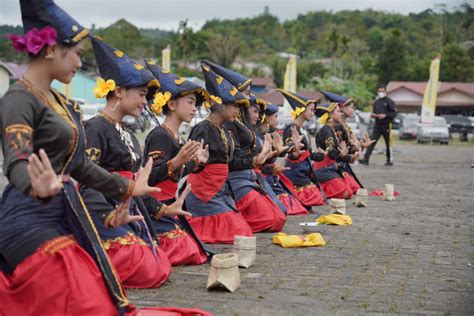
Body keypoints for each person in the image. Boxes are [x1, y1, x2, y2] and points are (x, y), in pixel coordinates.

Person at [0, 1, 210, 315]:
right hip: (28, 219)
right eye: (77, 53)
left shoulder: (60, 103)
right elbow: (16, 161)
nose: (80, 62)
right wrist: (34, 185)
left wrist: (128, 191)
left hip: (67, 216)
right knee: (83, 300)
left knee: (97, 296)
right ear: (50, 49)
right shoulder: (19, 98)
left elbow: (82, 166)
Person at [78, 36, 176, 290]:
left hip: (128, 208)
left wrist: (162, 209)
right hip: (103, 212)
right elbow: (86, 182)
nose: (145, 102)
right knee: (148, 269)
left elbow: (136, 184)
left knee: (158, 263)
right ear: (119, 91)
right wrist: (109, 216)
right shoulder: (94, 128)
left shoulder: (130, 135)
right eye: (141, 94)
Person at [142, 60, 210, 265]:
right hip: (156, 206)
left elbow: (175, 171)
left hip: (171, 202)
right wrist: (178, 159)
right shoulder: (160, 136)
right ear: (171, 104)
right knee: (187, 251)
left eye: (195, 105)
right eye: (190, 102)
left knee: (194, 248)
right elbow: (150, 176)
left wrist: (198, 163)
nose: (194, 109)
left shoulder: (173, 136)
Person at [183, 64, 254, 244]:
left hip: (221, 190)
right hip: (204, 192)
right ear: (220, 105)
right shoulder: (202, 129)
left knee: (244, 232)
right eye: (234, 106)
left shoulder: (224, 129)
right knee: (239, 234)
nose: (237, 111)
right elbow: (193, 161)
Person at [224, 92, 287, 233]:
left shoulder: (245, 128)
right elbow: (232, 161)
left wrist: (275, 153)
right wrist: (257, 160)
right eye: (255, 111)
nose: (258, 115)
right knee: (274, 220)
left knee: (280, 215)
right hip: (235, 180)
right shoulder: (230, 126)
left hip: (250, 177)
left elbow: (260, 162)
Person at [277, 89, 325, 208]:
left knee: (317, 197)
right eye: (311, 110)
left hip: (304, 169)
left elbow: (308, 153)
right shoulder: (291, 129)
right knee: (314, 197)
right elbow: (292, 154)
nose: (313, 113)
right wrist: (296, 151)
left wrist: (321, 155)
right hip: (294, 171)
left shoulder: (303, 129)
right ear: (302, 110)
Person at [258, 103, 309, 215]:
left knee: (295, 204)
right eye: (275, 117)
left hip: (271, 174)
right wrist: (285, 148)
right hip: (262, 177)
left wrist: (292, 146)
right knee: (289, 206)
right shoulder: (260, 136)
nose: (277, 120)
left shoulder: (269, 134)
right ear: (266, 118)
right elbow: (265, 158)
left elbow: (280, 151)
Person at [320, 90, 374, 193]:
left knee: (356, 190)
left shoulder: (345, 127)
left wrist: (361, 145)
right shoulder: (335, 127)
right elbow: (338, 150)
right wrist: (353, 153)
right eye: (352, 107)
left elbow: (347, 147)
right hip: (333, 165)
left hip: (343, 163)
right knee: (352, 191)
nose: (354, 109)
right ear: (342, 108)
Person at [313, 103, 355, 199]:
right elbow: (332, 154)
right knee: (345, 193)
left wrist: (350, 156)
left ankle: (322, 189)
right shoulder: (327, 131)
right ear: (330, 115)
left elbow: (336, 153)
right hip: (323, 169)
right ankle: (320, 189)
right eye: (338, 111)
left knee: (349, 193)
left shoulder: (331, 129)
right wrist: (341, 153)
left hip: (330, 168)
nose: (341, 113)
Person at [359, 85, 397, 166]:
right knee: (372, 141)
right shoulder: (376, 102)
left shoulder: (389, 101)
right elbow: (374, 112)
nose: (381, 93)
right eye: (379, 91)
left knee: (388, 143)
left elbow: (394, 113)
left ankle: (389, 160)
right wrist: (374, 115)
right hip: (377, 125)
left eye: (382, 91)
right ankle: (366, 158)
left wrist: (385, 115)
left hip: (386, 125)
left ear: (385, 92)